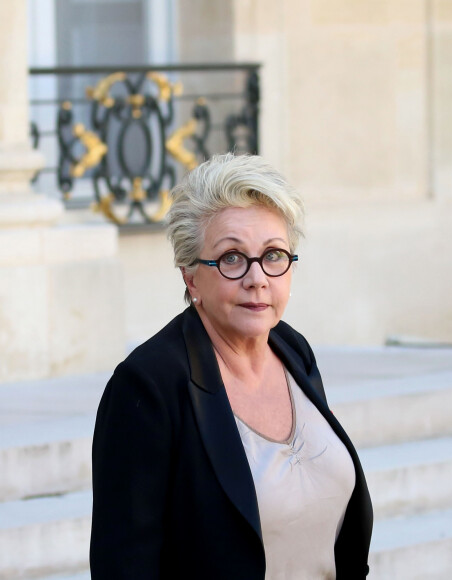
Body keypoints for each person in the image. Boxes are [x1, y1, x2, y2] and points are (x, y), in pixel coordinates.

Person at [90, 153, 373, 579]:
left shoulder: (293, 350)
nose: (257, 278)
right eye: (232, 258)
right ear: (191, 278)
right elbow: (124, 564)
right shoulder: (148, 385)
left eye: (274, 255)